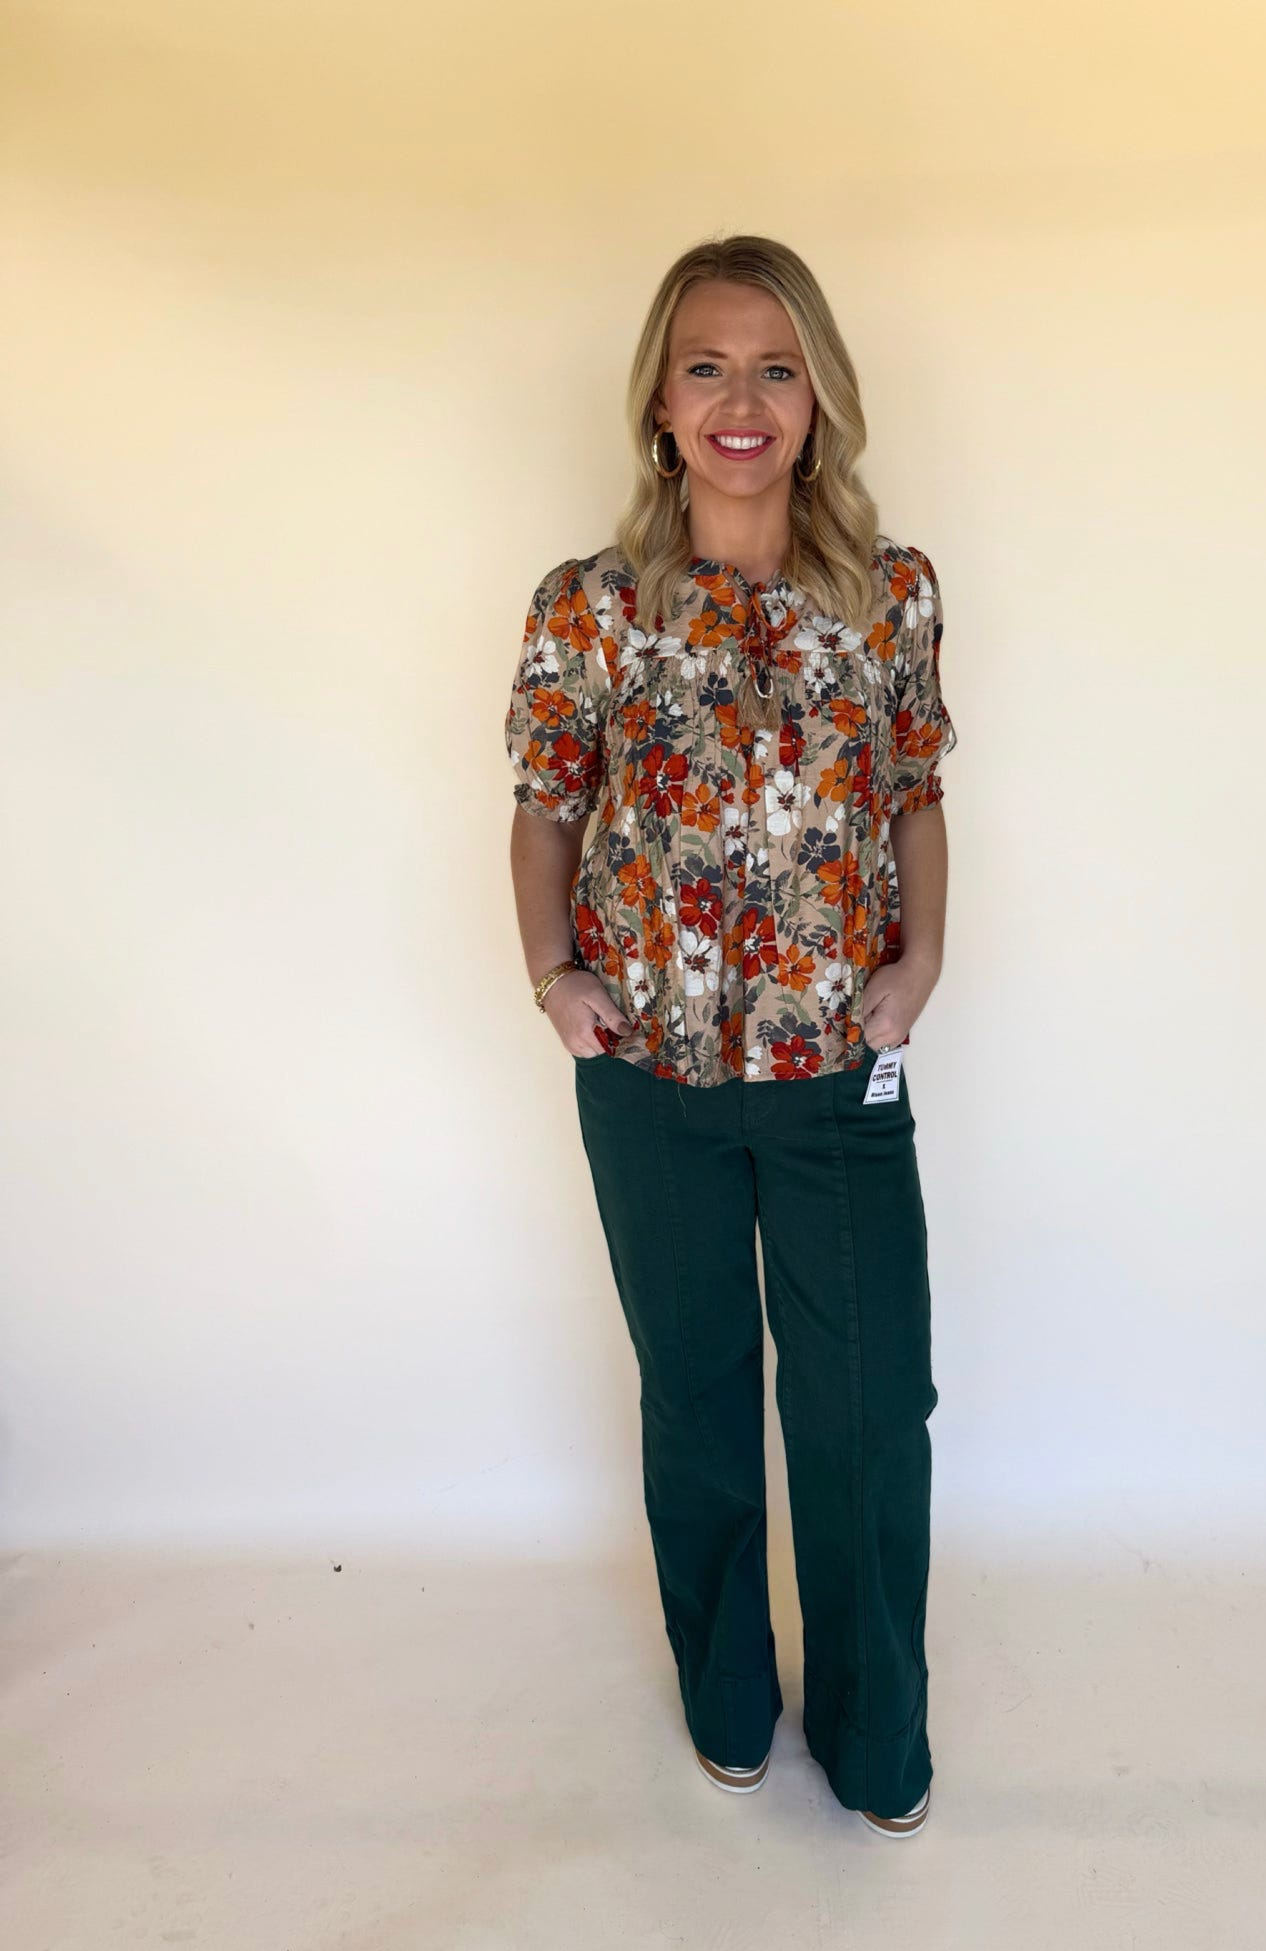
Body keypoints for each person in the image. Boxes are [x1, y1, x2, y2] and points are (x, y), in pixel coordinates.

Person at [505, 234, 957, 1839]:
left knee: (864, 1403)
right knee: (696, 1393)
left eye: (776, 365)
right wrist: (556, 973)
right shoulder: (595, 609)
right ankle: (723, 1691)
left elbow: (914, 799)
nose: (742, 398)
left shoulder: (888, 594)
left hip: (838, 1078)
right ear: (661, 402)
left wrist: (920, 967)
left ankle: (875, 1729)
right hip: (654, 1086)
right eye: (707, 364)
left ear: (819, 395)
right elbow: (548, 811)